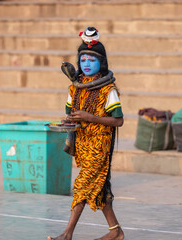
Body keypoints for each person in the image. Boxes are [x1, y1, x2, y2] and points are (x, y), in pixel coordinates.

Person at [48, 27, 125, 240]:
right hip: (82, 144)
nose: (87, 65)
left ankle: (67, 234)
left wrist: (91, 118)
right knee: (99, 189)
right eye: (83, 61)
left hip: (100, 146)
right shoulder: (75, 88)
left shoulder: (108, 90)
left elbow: (118, 120)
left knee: (82, 186)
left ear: (101, 63)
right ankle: (116, 232)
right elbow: (70, 114)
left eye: (92, 60)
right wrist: (68, 120)